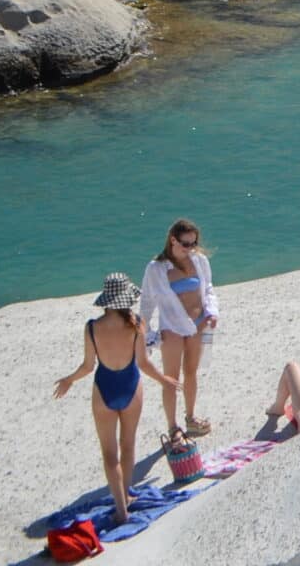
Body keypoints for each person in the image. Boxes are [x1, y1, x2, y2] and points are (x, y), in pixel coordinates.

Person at [53, 274, 176, 528]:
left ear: (106, 300)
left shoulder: (92, 327)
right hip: (132, 387)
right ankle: (128, 492)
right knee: (128, 444)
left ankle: (121, 508)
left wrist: (69, 380)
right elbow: (143, 363)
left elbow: (88, 366)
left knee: (109, 453)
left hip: (104, 389)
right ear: (127, 298)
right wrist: (164, 380)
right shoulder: (136, 324)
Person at [139, 220, 219, 438]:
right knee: (170, 379)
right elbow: (147, 301)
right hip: (172, 328)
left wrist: (212, 311)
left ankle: (191, 417)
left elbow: (209, 287)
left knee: (191, 372)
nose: (190, 248)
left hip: (198, 324)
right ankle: (172, 426)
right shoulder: (156, 268)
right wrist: (144, 332)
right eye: (185, 244)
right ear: (172, 240)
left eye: (193, 243)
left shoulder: (199, 260)